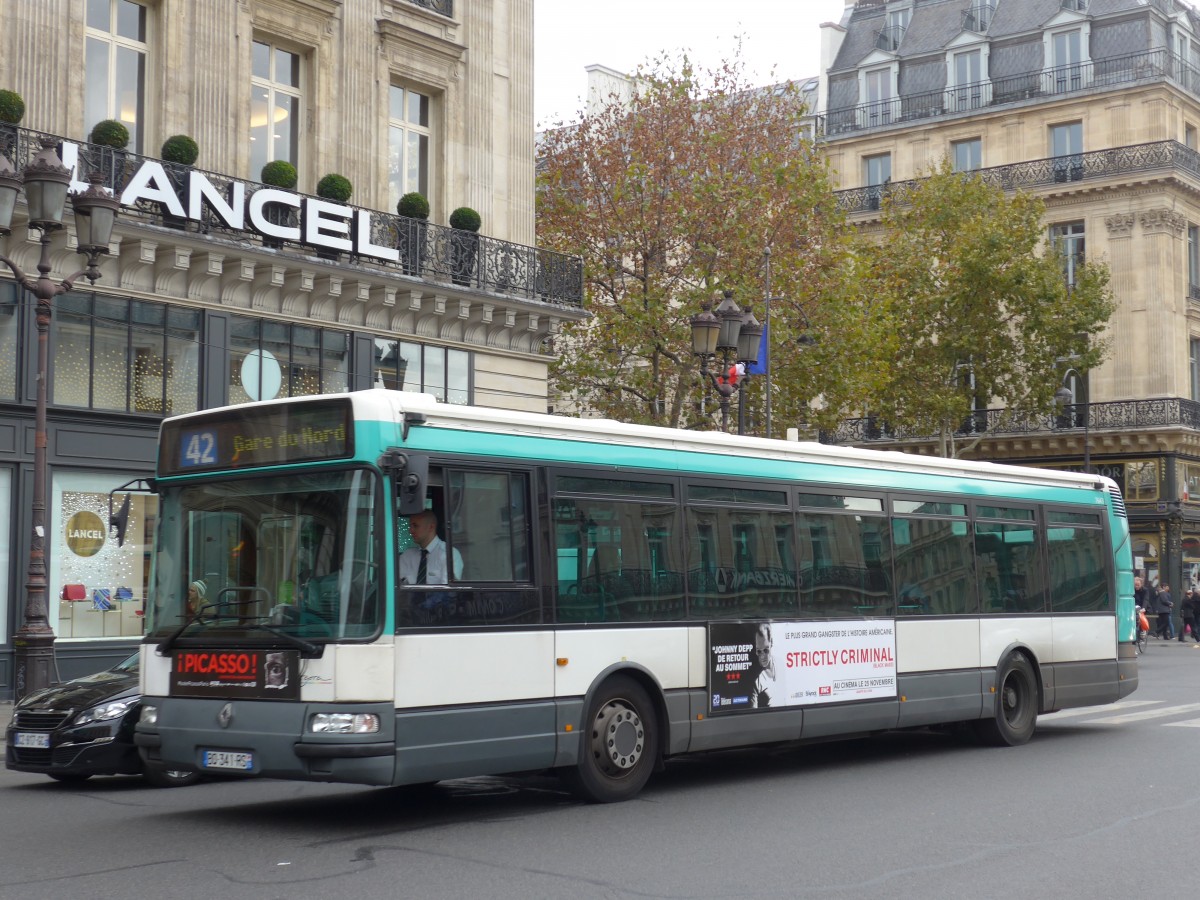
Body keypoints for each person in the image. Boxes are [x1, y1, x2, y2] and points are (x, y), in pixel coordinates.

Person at [399, 509, 463, 585]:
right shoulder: (407, 556)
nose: (410, 531)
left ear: (431, 527)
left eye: (415, 526)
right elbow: (397, 587)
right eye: (410, 526)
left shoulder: (449, 554)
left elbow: (448, 593)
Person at [748, 623, 777, 709]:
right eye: (759, 651)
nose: (762, 656)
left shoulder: (782, 664)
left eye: (766, 650)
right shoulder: (756, 682)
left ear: (771, 643)